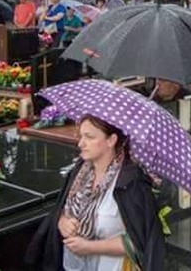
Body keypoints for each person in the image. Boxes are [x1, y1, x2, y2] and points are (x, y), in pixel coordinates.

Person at [26, 115, 164, 269]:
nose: (81, 143)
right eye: (81, 136)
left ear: (111, 140)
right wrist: (62, 221)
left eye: (89, 137)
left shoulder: (131, 183)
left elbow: (139, 240)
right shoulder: (79, 171)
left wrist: (89, 247)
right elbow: (61, 207)